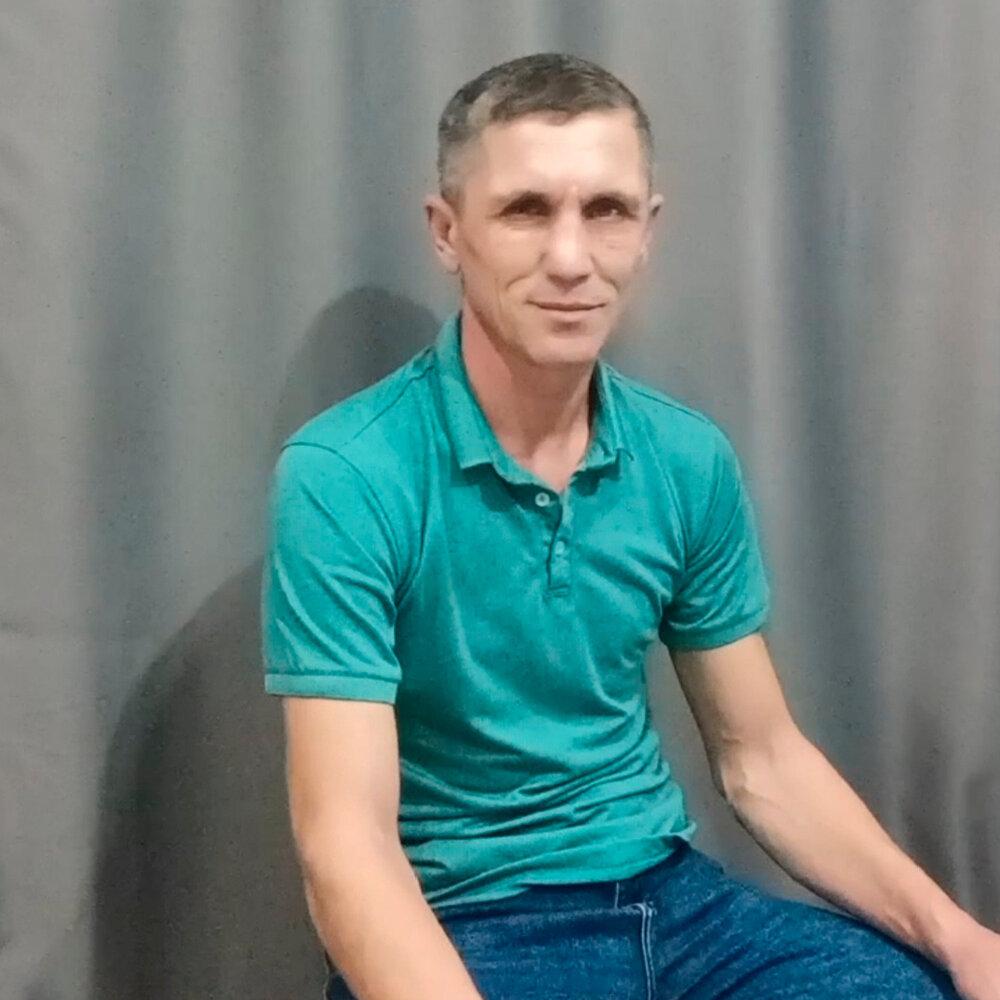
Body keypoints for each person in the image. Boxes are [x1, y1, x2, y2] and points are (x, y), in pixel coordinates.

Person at [261, 52, 999, 1000]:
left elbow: (763, 759)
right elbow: (345, 844)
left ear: (647, 230)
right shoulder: (347, 474)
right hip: (470, 922)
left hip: (677, 904)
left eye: (605, 210)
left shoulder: (685, 458)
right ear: (447, 232)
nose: (572, 258)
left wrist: (961, 938)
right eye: (526, 210)